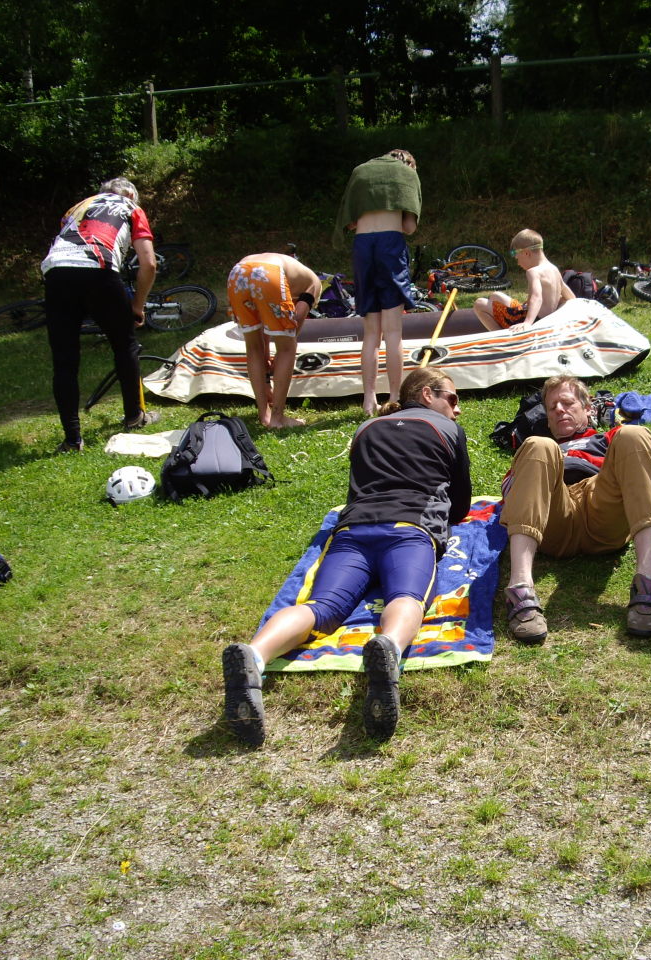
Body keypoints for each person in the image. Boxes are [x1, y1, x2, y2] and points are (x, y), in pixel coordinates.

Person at [222, 368, 470, 746]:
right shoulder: (447, 430)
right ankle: (389, 647)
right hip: (409, 530)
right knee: (406, 598)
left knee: (321, 607)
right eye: (451, 398)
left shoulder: (365, 429)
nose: (457, 408)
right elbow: (460, 506)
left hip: (352, 531)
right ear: (426, 395)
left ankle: (255, 655)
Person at [499, 375, 651, 643]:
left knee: (634, 434)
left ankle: (646, 582)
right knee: (539, 444)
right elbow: (511, 493)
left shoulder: (608, 439)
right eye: (552, 407)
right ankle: (520, 588)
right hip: (554, 514)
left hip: (603, 503)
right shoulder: (540, 448)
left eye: (567, 403)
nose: (559, 410)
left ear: (588, 408)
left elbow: (642, 474)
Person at [40, 177, 159, 452]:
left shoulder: (76, 207)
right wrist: (137, 306)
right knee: (124, 345)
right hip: (99, 268)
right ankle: (134, 417)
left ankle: (72, 439)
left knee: (64, 360)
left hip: (56, 272)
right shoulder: (131, 207)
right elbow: (149, 263)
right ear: (131, 195)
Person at [334, 149, 422, 416]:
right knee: (393, 331)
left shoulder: (362, 172)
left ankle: (368, 399)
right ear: (408, 165)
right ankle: (394, 397)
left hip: (363, 246)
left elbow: (350, 223)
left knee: (371, 332)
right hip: (389, 246)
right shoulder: (405, 175)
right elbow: (409, 228)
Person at [227, 253, 323, 428]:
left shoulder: (293, 274)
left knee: (253, 347)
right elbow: (295, 324)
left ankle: (264, 414)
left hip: (238, 272)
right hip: (270, 273)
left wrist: (266, 376)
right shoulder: (314, 284)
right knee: (287, 348)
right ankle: (277, 418)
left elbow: (263, 329)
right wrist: (279, 356)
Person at [472, 229, 574, 330]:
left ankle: (501, 335)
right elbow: (571, 296)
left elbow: (536, 297)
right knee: (495, 295)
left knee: (479, 304)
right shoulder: (554, 269)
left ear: (526, 253)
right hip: (530, 312)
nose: (518, 263)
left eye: (517, 258)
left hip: (530, 319)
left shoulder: (533, 272)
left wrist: (527, 323)